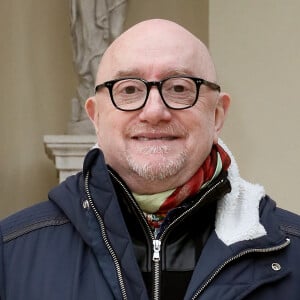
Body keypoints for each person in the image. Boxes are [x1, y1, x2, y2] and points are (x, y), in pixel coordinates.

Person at [1, 19, 300, 300]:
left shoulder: (293, 251)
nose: (154, 111)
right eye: (129, 89)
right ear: (96, 116)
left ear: (217, 115)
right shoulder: (10, 252)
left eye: (180, 88)